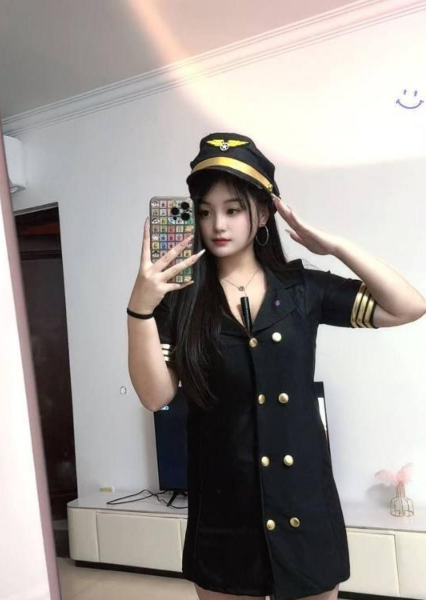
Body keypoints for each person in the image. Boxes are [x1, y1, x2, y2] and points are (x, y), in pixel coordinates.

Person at [127, 133, 426, 600]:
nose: (217, 224)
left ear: (263, 214)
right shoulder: (180, 300)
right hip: (224, 514)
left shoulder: (302, 288)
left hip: (304, 505)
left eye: (233, 209)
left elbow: (408, 306)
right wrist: (141, 308)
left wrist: (335, 246)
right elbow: (155, 395)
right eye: (204, 211)